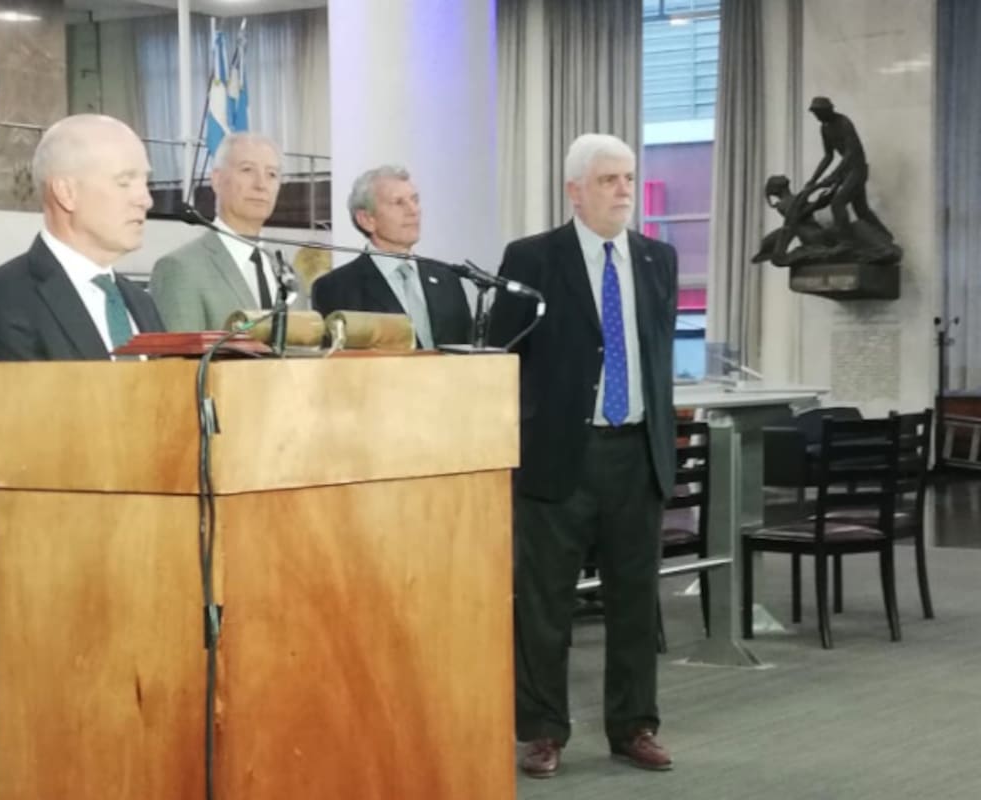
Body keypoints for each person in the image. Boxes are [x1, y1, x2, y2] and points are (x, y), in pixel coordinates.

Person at [0, 113, 165, 800]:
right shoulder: (3, 300)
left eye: (146, 181)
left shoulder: (144, 303)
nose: (147, 199)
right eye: (128, 181)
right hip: (57, 582)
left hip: (156, 574)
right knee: (44, 759)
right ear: (68, 192)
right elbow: (40, 448)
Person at [488, 133, 678, 779]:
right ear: (575, 190)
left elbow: (656, 355)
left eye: (627, 178)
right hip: (560, 457)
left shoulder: (658, 259)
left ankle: (635, 726)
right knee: (545, 606)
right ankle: (542, 732)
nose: (623, 190)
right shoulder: (531, 257)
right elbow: (501, 359)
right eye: (607, 180)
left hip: (637, 456)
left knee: (634, 602)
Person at [310, 165, 471, 348]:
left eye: (415, 200)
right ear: (367, 219)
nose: (414, 210)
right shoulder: (336, 288)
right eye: (398, 202)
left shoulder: (448, 280)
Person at [151, 133, 293, 331]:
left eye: (272, 174)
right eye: (247, 170)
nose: (261, 185)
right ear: (217, 180)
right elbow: (179, 360)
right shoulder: (181, 269)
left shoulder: (287, 273)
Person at [805, 96, 894, 241]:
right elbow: (828, 156)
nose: (816, 116)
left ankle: (845, 241)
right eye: (815, 113)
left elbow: (851, 152)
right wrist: (813, 180)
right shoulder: (825, 128)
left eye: (818, 113)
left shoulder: (843, 123)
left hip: (857, 169)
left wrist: (835, 174)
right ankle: (885, 237)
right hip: (848, 171)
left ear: (828, 111)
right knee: (862, 210)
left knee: (837, 203)